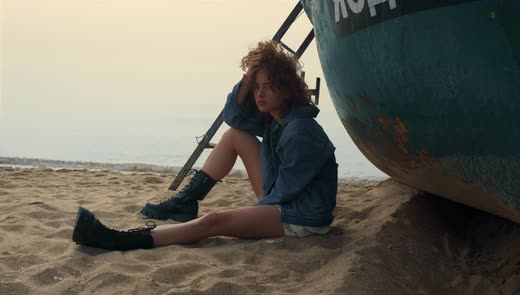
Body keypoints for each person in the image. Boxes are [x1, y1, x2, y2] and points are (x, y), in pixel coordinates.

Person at [71, 41, 339, 251]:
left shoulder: (300, 131)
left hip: (303, 217)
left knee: (215, 221)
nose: (259, 93)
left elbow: (284, 194)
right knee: (236, 134)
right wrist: (247, 77)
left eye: (268, 86)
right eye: (256, 86)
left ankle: (124, 240)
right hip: (285, 198)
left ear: (288, 89)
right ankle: (187, 201)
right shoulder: (277, 121)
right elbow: (233, 118)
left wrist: (246, 218)